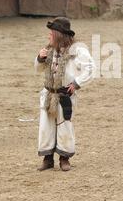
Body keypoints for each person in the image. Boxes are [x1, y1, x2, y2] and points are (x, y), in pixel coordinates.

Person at [34, 17, 95, 171]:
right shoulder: (48, 50)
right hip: (48, 93)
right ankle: (48, 159)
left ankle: (64, 158)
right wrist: (40, 59)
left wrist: (76, 83)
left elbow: (90, 68)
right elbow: (38, 69)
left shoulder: (78, 50)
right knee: (46, 127)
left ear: (58, 34)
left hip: (65, 95)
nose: (49, 36)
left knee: (64, 126)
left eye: (51, 33)